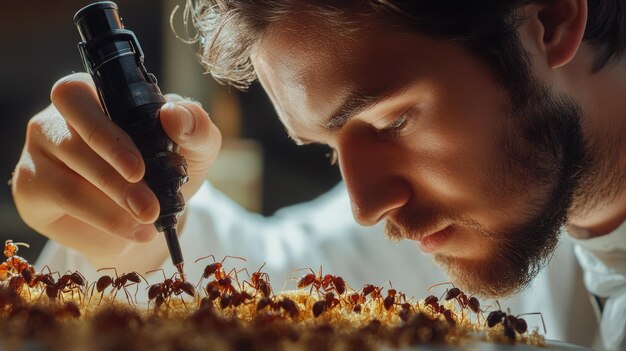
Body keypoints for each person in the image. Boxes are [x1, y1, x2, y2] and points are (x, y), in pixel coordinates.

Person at [10, 0, 624, 349]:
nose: (366, 205)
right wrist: (122, 228)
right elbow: (288, 275)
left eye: (392, 122)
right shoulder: (510, 200)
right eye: (329, 147)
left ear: (549, 18)